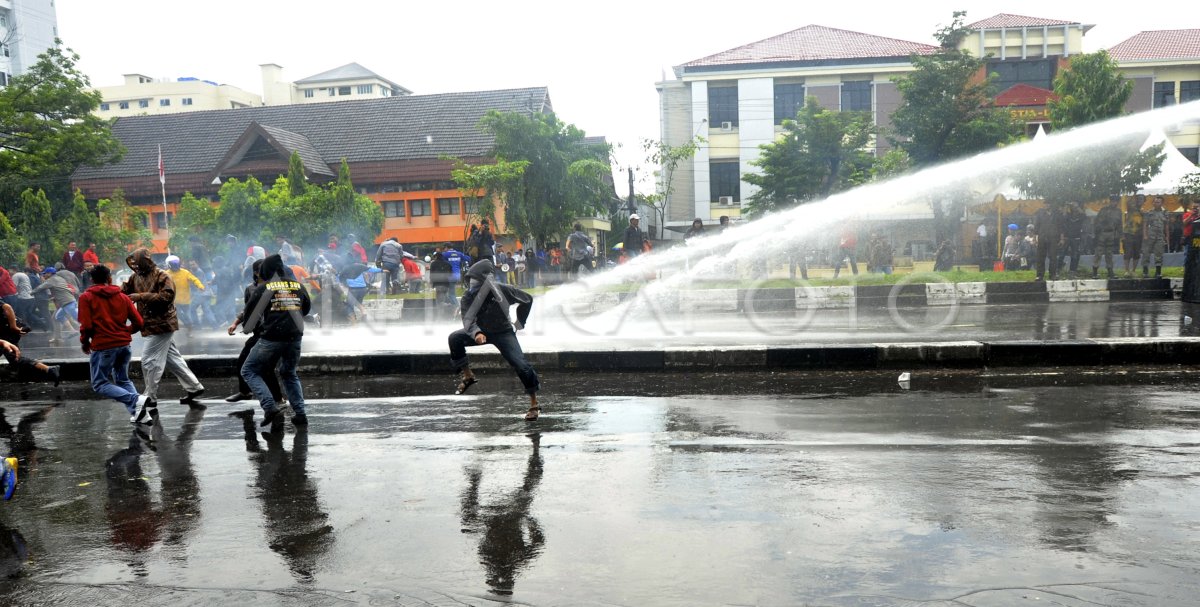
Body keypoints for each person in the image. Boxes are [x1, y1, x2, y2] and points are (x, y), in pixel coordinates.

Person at [448, 259, 540, 421]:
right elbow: (468, 319)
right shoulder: (468, 297)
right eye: (471, 281)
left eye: (476, 281)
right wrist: (476, 333)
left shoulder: (503, 290)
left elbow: (527, 299)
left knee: (521, 365)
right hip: (481, 332)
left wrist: (520, 322)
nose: (473, 284)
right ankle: (468, 376)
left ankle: (534, 404)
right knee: (454, 338)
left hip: (503, 332)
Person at [122, 248, 206, 405]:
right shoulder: (135, 277)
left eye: (138, 263)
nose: (136, 266)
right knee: (173, 359)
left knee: (148, 360)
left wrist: (140, 296)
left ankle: (150, 396)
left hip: (162, 324)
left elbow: (167, 297)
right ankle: (194, 387)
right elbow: (123, 289)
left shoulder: (162, 275)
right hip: (148, 323)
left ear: (145, 261)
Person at [239, 254, 312, 429]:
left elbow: (250, 316)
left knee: (248, 370)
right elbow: (306, 309)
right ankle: (300, 414)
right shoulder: (298, 285)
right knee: (289, 373)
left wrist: (248, 328)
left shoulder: (265, 287)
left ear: (266, 271)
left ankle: (269, 407)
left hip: (272, 337)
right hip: (295, 338)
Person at [78, 264, 154, 424]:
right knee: (123, 380)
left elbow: (87, 326)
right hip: (124, 345)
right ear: (110, 278)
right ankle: (140, 414)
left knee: (99, 383)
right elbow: (139, 322)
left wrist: (84, 342)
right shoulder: (123, 297)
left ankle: (136, 400)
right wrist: (126, 332)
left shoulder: (86, 297)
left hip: (104, 346)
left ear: (91, 279)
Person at [224, 260, 283, 405]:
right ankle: (246, 392)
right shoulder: (251, 289)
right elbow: (247, 309)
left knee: (266, 368)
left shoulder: (276, 288)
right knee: (244, 362)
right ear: (256, 273)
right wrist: (236, 323)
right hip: (259, 333)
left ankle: (278, 400)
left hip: (272, 333)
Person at [0, 301, 60, 385]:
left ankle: (49, 369)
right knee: (15, 358)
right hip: (5, 333)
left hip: (6, 332)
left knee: (15, 358)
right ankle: (23, 376)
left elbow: (7, 306)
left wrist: (13, 326)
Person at [33, 268, 78, 345]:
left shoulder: (53, 280)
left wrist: (30, 292)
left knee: (77, 318)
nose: (44, 275)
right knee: (58, 317)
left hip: (66, 302)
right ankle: (62, 335)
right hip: (65, 302)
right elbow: (61, 290)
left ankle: (78, 331)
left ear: (50, 273)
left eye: (45, 273)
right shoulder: (60, 279)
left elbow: (40, 287)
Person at [1093, 196, 1123, 279]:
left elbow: (1119, 224)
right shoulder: (1104, 210)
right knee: (1098, 252)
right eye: (1113, 201)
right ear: (1110, 201)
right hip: (1102, 233)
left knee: (1109, 253)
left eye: (1116, 201)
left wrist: (1121, 235)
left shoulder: (1118, 211)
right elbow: (1097, 222)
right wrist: (1096, 233)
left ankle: (1110, 271)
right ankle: (1095, 271)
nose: (1115, 203)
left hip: (1112, 234)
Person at [1142, 196, 1170, 278]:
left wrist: (1167, 236)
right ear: (1153, 203)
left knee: (1159, 254)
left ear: (1161, 203)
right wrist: (1145, 235)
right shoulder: (1149, 213)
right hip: (1150, 235)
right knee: (1146, 253)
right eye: (1155, 202)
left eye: (1158, 202)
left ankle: (1158, 272)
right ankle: (1145, 271)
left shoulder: (1165, 213)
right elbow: (1145, 225)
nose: (1156, 203)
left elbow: (1167, 226)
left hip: (1160, 236)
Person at [1033, 204, 1062, 281]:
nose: (1046, 206)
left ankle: (1052, 274)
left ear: (1051, 205)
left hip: (1053, 238)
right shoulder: (1040, 214)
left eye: (1048, 204)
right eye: (1045, 204)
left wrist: (1061, 238)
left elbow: (1060, 227)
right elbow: (1036, 226)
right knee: (1040, 257)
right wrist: (1034, 238)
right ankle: (1039, 275)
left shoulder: (1056, 214)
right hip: (1042, 238)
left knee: (1053, 257)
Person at [1058, 203, 1085, 278]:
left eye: (1076, 207)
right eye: (1073, 207)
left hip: (1076, 238)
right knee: (1062, 254)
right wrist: (1067, 205)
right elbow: (1062, 219)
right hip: (1066, 237)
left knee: (1075, 256)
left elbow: (1083, 215)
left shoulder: (1080, 216)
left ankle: (1072, 272)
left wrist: (1077, 206)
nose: (1075, 208)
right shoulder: (1068, 215)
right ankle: (1058, 270)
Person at [1123, 196, 1145, 278]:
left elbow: (1144, 224)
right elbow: (1128, 202)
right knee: (1128, 252)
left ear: (1144, 202)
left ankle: (1133, 271)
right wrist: (1134, 194)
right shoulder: (1131, 208)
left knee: (1137, 253)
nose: (1140, 201)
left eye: (1142, 200)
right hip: (1128, 233)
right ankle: (1126, 270)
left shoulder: (1143, 212)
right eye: (1138, 199)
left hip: (1138, 234)